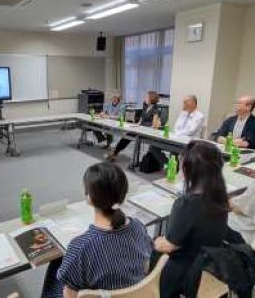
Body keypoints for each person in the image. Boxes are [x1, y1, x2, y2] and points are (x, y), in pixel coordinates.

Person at [42, 162, 153, 297]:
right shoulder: (138, 227)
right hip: (135, 293)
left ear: (89, 198)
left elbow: (69, 294)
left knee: (56, 266)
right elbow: (146, 265)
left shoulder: (81, 247)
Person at [152, 141, 229, 297]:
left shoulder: (186, 204)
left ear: (187, 169)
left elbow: (168, 246)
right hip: (212, 265)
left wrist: (156, 242)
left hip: (190, 272)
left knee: (154, 247)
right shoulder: (220, 196)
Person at [105, 91, 160, 161]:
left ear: (151, 99)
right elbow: (142, 117)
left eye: (146, 97)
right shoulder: (145, 105)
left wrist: (145, 127)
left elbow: (154, 125)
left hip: (147, 130)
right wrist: (138, 124)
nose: (145, 98)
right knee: (126, 136)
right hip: (140, 128)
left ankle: (115, 153)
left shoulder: (155, 109)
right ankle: (115, 152)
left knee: (128, 136)